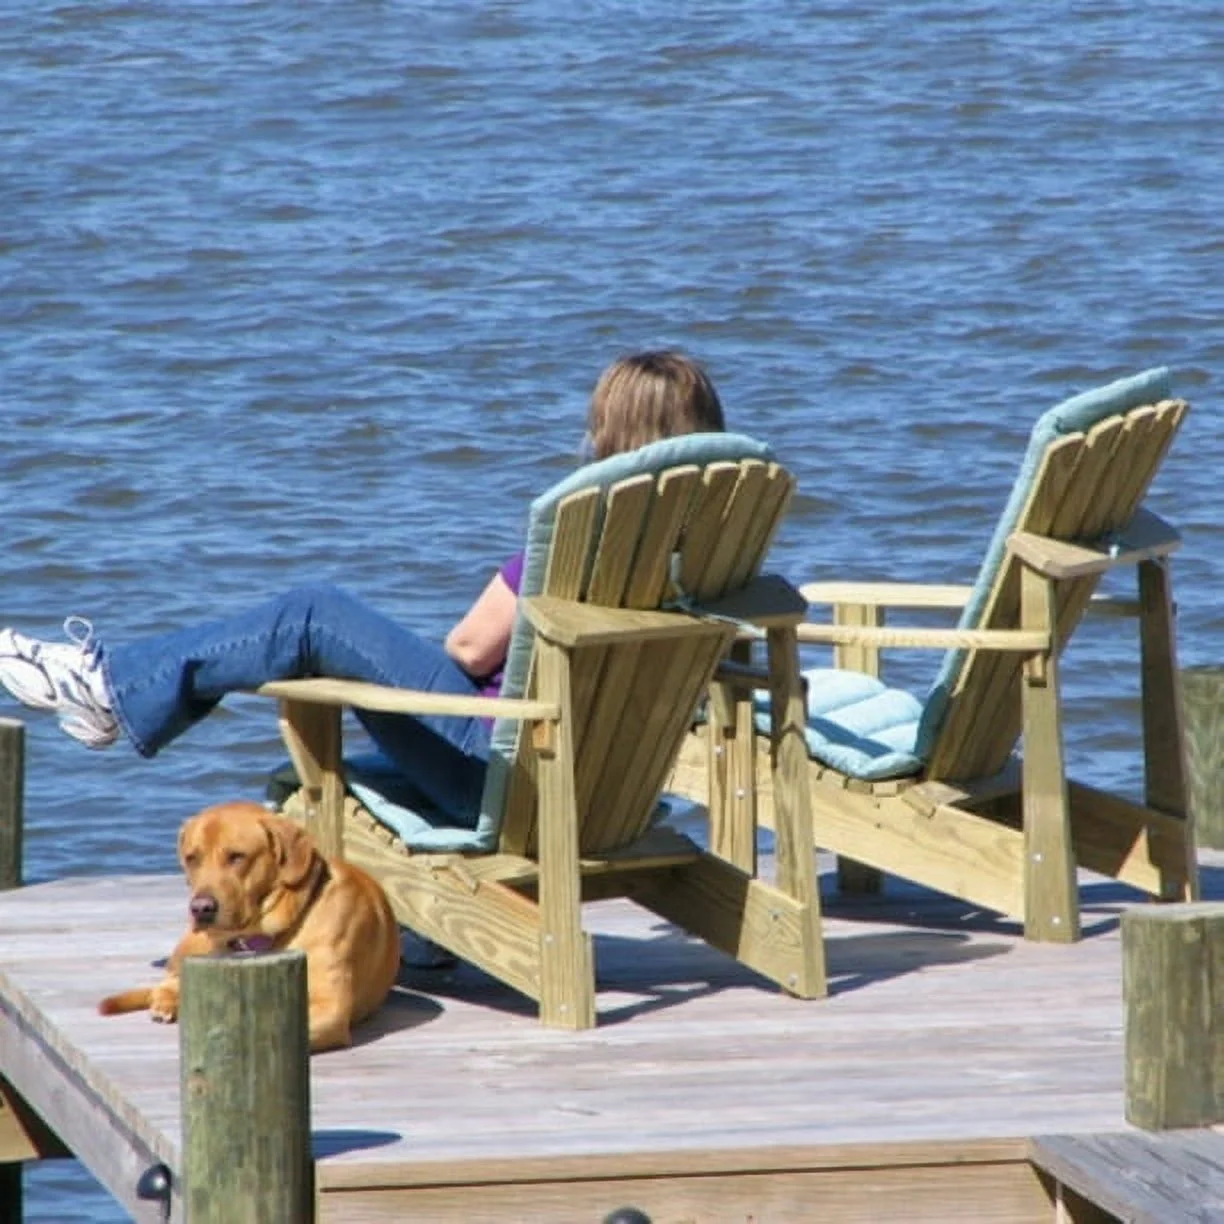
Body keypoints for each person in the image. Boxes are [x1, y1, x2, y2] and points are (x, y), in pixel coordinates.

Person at [0, 351, 726, 828]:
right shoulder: (714, 546)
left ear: (608, 437)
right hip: (614, 792)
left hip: (507, 777)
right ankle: (120, 691)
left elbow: (470, 650)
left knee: (315, 616)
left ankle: (108, 687)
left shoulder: (584, 534)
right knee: (317, 643)